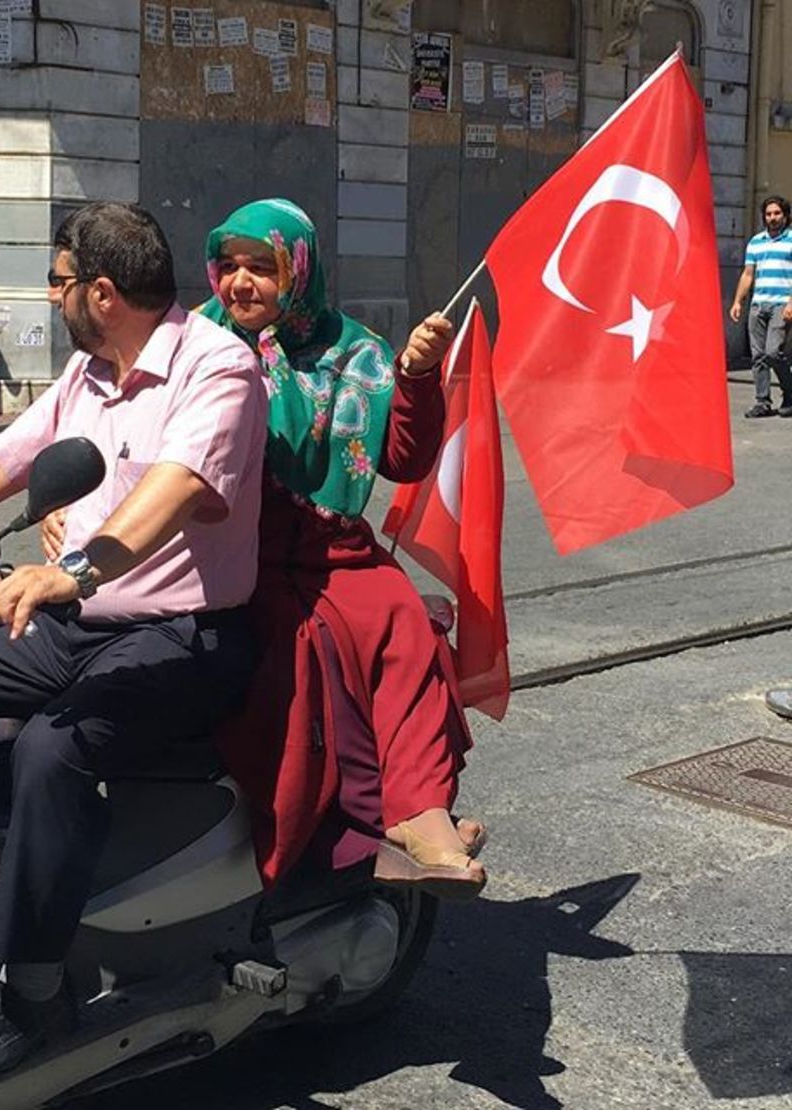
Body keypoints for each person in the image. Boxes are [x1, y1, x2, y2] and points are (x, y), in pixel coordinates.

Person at [0, 202, 267, 1089]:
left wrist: (76, 571)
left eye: (58, 284)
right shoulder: (87, 377)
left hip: (184, 635)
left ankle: (30, 993)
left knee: (53, 750)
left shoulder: (217, 368)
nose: (52, 299)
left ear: (100, 290)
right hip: (75, 624)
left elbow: (173, 490)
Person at [198, 198, 486, 896]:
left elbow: (404, 461)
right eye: (227, 265)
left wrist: (416, 376)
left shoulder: (353, 349)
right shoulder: (193, 346)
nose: (240, 283)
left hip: (331, 545)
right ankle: (316, 836)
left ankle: (419, 812)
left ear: (298, 272)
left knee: (403, 620)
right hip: (234, 544)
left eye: (260, 267)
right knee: (292, 652)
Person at [730, 195, 792, 419]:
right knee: (758, 356)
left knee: (773, 352)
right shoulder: (756, 242)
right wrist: (738, 301)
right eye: (769, 214)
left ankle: (790, 392)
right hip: (758, 305)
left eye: (777, 213)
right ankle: (762, 401)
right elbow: (748, 274)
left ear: (785, 215)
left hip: (781, 304)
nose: (773, 218)